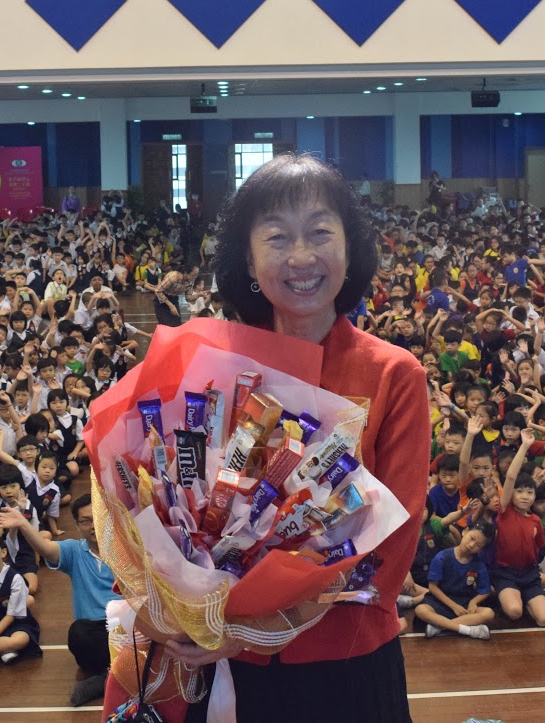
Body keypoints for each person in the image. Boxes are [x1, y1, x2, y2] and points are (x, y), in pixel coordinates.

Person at [109, 153, 427, 723]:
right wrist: (177, 604)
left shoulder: (392, 374)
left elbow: (393, 542)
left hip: (343, 660)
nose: (301, 256)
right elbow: (163, 494)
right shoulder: (215, 364)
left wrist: (257, 629)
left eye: (320, 233)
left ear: (350, 249)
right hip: (224, 663)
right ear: (249, 260)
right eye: (277, 237)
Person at [0, 493, 114, 706]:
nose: (93, 526)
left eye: (97, 518)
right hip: (93, 631)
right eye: (86, 521)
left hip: (124, 628)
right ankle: (116, 675)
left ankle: (105, 679)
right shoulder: (74, 550)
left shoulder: (125, 550)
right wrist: (23, 524)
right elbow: (45, 549)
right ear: (77, 525)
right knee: (78, 634)